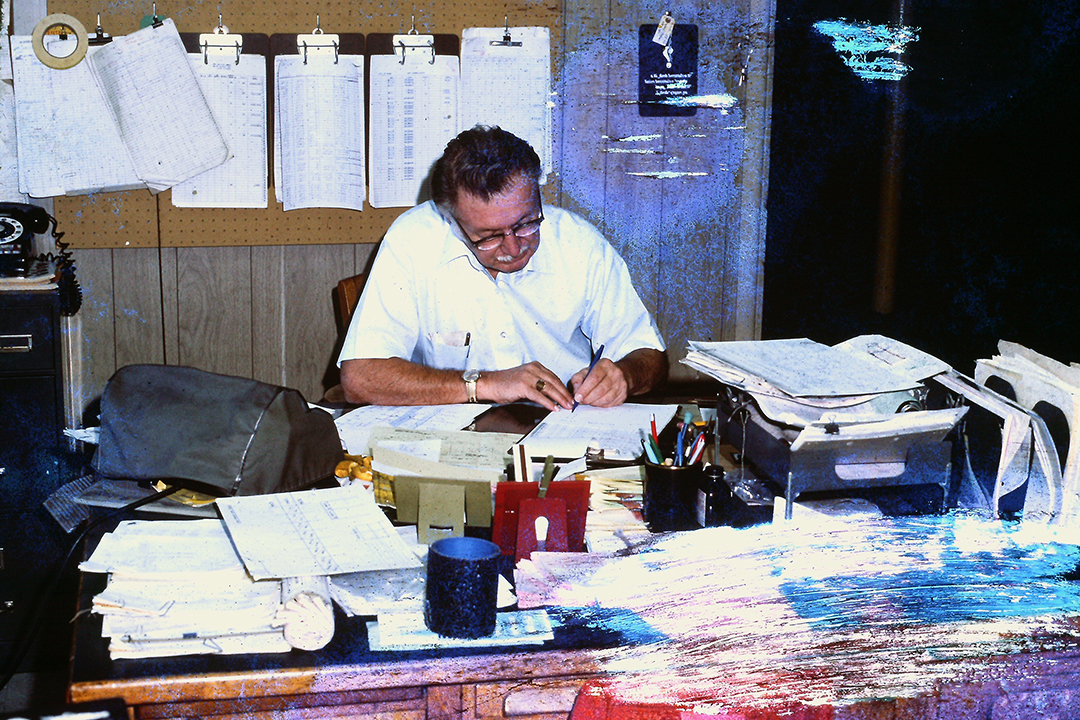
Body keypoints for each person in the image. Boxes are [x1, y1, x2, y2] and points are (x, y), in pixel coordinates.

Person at [338, 125, 667, 411]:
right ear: (450, 220)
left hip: (567, 428)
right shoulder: (413, 240)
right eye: (489, 236)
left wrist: (624, 376)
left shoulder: (577, 242)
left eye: (526, 223)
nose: (513, 248)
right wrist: (487, 384)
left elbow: (649, 354)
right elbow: (360, 377)